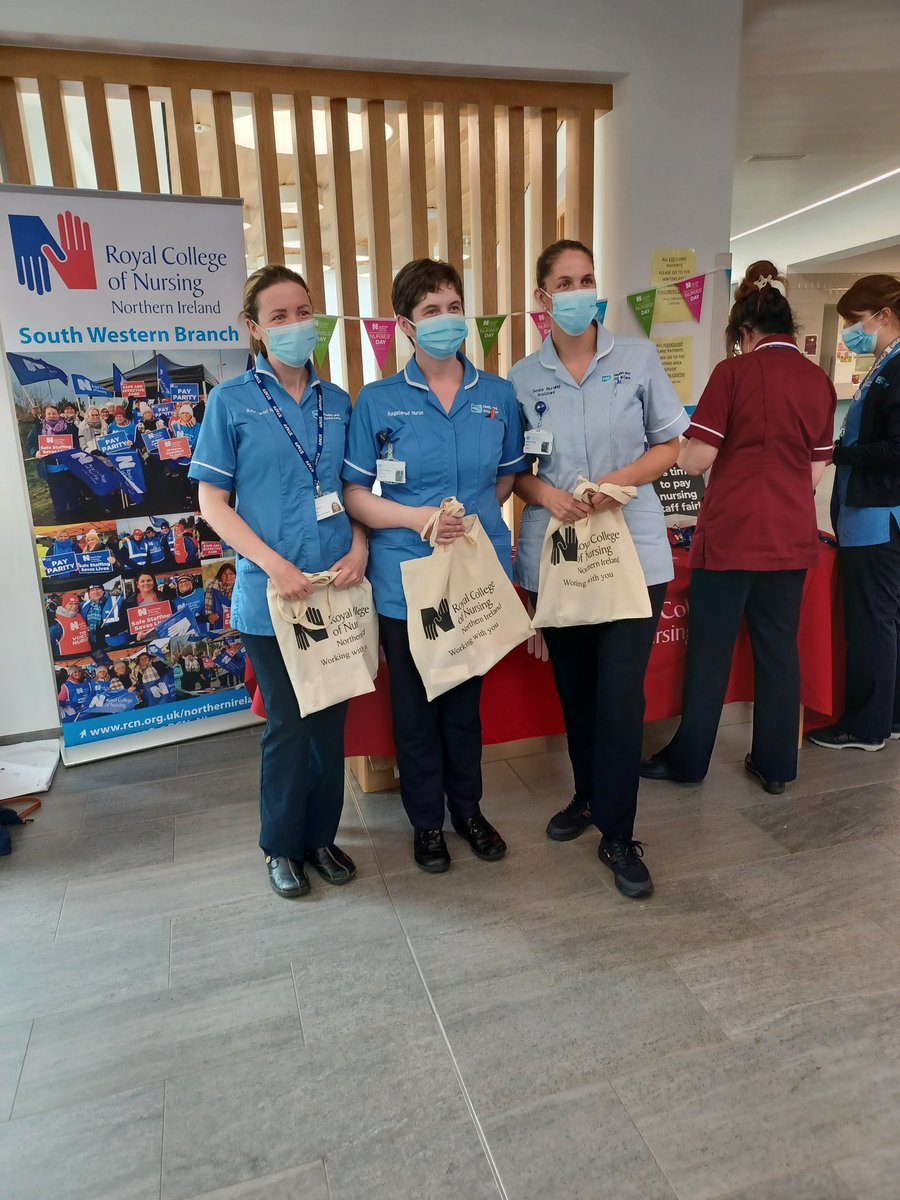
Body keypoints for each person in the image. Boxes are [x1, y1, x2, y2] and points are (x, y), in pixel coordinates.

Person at [511, 239, 687, 899]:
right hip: (557, 561)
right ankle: (587, 795)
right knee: (578, 694)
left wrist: (617, 481)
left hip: (633, 559)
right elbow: (515, 475)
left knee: (619, 698)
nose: (578, 290)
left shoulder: (637, 361)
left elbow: (672, 444)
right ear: (542, 297)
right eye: (564, 280)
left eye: (587, 278)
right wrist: (543, 493)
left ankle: (619, 832)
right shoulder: (523, 379)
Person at [343, 257, 527, 874]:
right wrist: (419, 521)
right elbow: (356, 495)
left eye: (454, 307)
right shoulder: (378, 402)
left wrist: (467, 526)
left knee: (465, 702)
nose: (446, 320)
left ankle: (469, 811)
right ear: (406, 325)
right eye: (430, 311)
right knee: (416, 708)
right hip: (404, 578)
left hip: (474, 574)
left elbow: (506, 478)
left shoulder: (497, 395)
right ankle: (426, 825)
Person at [189, 263, 367, 898]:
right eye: (279, 317)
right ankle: (280, 846)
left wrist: (361, 546)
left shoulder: (339, 402)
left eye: (304, 312)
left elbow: (353, 492)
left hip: (335, 589)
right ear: (254, 329)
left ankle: (321, 837)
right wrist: (275, 565)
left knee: (331, 720)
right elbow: (214, 505)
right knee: (289, 722)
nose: (296, 326)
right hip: (272, 597)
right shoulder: (230, 402)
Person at [639, 260, 836, 792]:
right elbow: (816, 470)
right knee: (778, 650)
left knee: (711, 649)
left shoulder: (732, 374)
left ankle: (689, 761)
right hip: (791, 538)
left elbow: (697, 461)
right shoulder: (818, 381)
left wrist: (673, 446)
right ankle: (776, 766)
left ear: (744, 333)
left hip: (731, 536)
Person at [808, 274, 900, 752]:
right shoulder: (885, 363)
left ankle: (866, 727)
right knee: (886, 619)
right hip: (872, 511)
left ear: (883, 316)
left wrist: (840, 454)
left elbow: (896, 447)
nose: (848, 332)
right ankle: (890, 713)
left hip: (879, 515)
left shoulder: (898, 367)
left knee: (872, 621)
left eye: (853, 322)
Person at [36, 405, 80, 521]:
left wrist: (73, 449)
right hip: (51, 468)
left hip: (68, 466)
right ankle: (60, 515)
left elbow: (76, 441)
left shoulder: (68, 426)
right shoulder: (38, 427)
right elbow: (30, 443)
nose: (51, 416)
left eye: (54, 413)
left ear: (58, 414)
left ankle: (76, 512)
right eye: (49, 414)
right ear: (45, 415)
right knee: (57, 494)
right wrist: (35, 452)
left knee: (73, 491)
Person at [203, 561, 235, 629]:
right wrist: (209, 617)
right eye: (224, 574)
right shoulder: (211, 588)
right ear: (220, 576)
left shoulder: (240, 587)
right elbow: (207, 609)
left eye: (231, 573)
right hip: (218, 625)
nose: (228, 576)